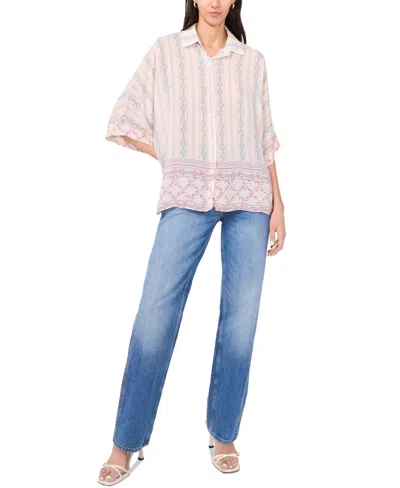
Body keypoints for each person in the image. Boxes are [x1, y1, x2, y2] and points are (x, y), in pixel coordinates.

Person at [98, 1, 286, 483]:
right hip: (186, 194)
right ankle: (126, 442)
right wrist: (173, 154)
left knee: (240, 321)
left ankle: (223, 433)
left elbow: (265, 138)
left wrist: (279, 204)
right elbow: (123, 117)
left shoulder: (253, 61)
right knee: (154, 315)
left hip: (250, 198)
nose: (216, 1)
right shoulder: (166, 52)